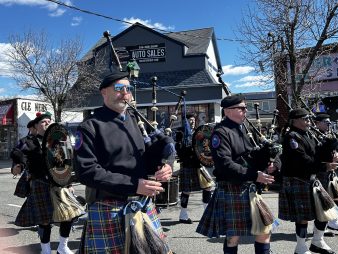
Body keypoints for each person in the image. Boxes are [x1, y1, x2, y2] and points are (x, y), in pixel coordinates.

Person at [74, 70, 173, 253]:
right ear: (104, 92)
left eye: (128, 88)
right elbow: (86, 171)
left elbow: (143, 159)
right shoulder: (90, 126)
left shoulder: (134, 120)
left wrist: (164, 165)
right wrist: (134, 185)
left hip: (142, 204)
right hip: (109, 207)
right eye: (119, 88)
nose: (125, 93)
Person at [196, 94, 275, 254]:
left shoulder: (244, 130)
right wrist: (254, 175)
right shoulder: (220, 132)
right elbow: (225, 164)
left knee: (264, 230)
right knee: (233, 236)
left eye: (245, 108)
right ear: (227, 111)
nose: (246, 111)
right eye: (241, 108)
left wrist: (269, 161)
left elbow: (250, 156)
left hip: (249, 187)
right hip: (232, 187)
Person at [12, 112, 76, 254]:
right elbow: (18, 154)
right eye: (43, 121)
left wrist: (69, 183)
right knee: (44, 220)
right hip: (40, 183)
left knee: (69, 215)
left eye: (49, 120)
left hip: (59, 184)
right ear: (35, 126)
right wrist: (18, 166)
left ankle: (62, 246)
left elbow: (66, 164)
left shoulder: (57, 140)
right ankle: (45, 249)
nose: (47, 123)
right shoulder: (28, 141)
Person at [278, 108, 338, 254]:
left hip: (311, 179)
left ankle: (317, 241)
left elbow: (317, 154)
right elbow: (301, 160)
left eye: (308, 119)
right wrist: (324, 166)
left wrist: (330, 147)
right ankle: (301, 247)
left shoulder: (308, 134)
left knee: (325, 210)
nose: (308, 122)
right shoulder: (291, 137)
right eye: (305, 119)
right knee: (303, 217)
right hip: (297, 179)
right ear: (295, 121)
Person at [314, 113, 338, 235]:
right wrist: (332, 158)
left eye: (330, 122)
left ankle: (333, 221)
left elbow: (337, 150)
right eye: (326, 122)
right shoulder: (314, 135)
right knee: (322, 201)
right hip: (320, 172)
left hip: (331, 172)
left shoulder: (329, 134)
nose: (329, 124)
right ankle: (321, 230)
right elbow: (316, 155)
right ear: (317, 123)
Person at [175, 112, 213, 224]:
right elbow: (179, 150)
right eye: (189, 120)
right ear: (185, 122)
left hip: (199, 164)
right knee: (186, 191)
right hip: (188, 164)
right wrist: (190, 150)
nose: (192, 122)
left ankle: (207, 214)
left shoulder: (198, 132)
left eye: (193, 120)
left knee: (208, 186)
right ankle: (183, 215)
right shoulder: (180, 133)